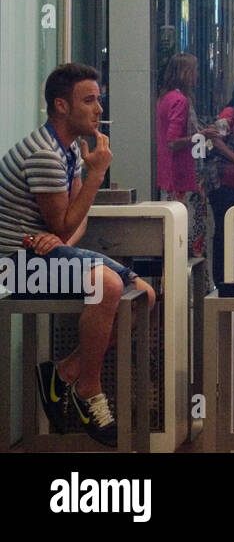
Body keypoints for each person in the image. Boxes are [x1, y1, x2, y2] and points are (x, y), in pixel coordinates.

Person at [0, 63, 157, 446]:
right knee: (106, 285)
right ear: (61, 106)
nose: (99, 109)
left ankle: (64, 372)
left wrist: (60, 236)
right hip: (14, 266)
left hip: (45, 255)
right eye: (89, 100)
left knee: (147, 297)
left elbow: (73, 223)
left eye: (98, 99)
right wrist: (96, 176)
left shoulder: (66, 148)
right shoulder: (44, 155)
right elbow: (68, 224)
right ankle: (89, 389)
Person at [156, 52, 207, 259]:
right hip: (185, 179)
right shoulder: (180, 101)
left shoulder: (165, 98)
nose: (197, 76)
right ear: (186, 73)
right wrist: (200, 135)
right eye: (194, 71)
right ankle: (193, 289)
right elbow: (173, 141)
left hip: (170, 178)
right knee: (191, 239)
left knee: (174, 238)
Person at [205, 78, 234, 284]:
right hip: (223, 181)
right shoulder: (230, 113)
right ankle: (221, 279)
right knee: (222, 231)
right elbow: (215, 139)